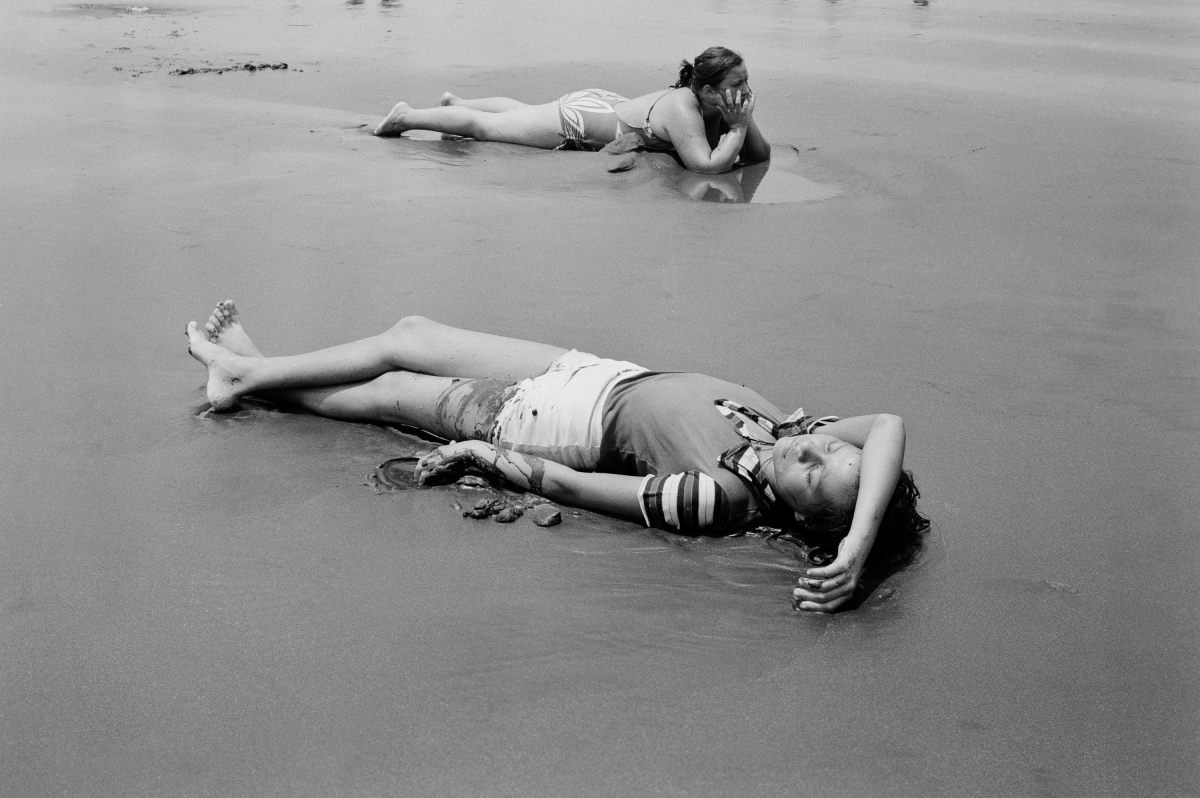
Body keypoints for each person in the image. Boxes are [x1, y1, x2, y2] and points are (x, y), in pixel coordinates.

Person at [184, 300, 928, 612]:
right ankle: (256, 371)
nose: (812, 446)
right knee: (410, 329)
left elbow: (575, 486)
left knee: (391, 390)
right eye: (830, 446)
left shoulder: (720, 500)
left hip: (546, 419)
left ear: (802, 513)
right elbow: (890, 423)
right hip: (598, 371)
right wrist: (860, 542)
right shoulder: (788, 431)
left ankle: (246, 378)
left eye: (813, 470)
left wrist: (481, 453)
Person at [376, 46, 771, 174]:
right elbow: (705, 164)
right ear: (705, 88)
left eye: (746, 81)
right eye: (737, 85)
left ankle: (457, 104)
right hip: (582, 122)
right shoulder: (683, 107)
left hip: (607, 106)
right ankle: (407, 117)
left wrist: (742, 119)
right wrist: (736, 129)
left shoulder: (713, 102)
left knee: (526, 112)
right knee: (485, 129)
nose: (745, 91)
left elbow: (760, 156)